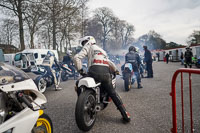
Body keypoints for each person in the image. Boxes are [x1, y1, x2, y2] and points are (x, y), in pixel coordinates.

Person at [73, 36, 131, 123]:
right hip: (106, 73)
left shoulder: (88, 45)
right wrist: (116, 71)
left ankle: (82, 105)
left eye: (84, 42)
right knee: (113, 93)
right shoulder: (102, 51)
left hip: (94, 72)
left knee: (78, 83)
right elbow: (110, 62)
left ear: (88, 41)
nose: (83, 45)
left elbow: (76, 58)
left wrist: (81, 70)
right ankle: (125, 115)